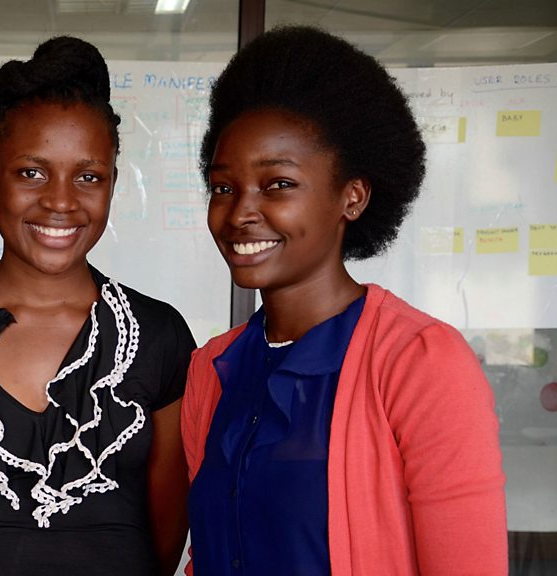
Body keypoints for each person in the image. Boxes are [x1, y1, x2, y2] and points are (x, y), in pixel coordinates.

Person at [181, 25, 508, 575]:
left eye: (278, 184)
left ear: (351, 197)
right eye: (223, 187)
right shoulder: (212, 370)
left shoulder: (419, 364)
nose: (240, 212)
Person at [0, 36, 196, 576]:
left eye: (88, 177)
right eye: (32, 172)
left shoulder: (159, 336)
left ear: (113, 184)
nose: (60, 201)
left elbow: (165, 540)